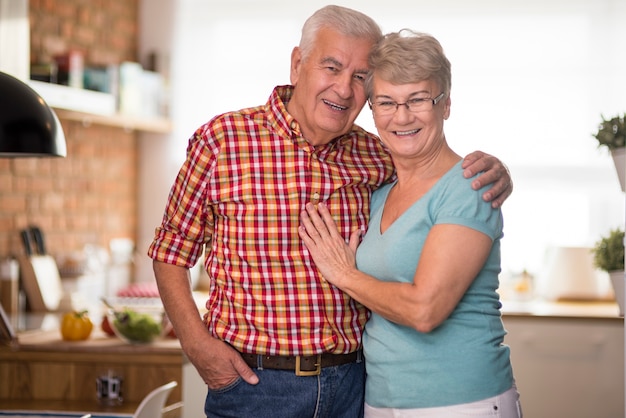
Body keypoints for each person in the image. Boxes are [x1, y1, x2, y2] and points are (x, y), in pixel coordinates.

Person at [148, 6, 513, 418]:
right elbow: (170, 250)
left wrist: (497, 170)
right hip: (255, 385)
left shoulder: (377, 155)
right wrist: (196, 344)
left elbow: (437, 174)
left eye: (360, 77)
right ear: (297, 64)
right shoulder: (223, 141)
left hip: (355, 385)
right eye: (332, 67)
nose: (343, 89)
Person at [299, 30, 521, 418]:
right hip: (381, 400)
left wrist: (345, 275)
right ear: (372, 109)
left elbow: (425, 311)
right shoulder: (379, 190)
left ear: (446, 104)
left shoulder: (469, 186)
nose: (401, 116)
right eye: (386, 102)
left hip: (460, 401)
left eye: (418, 99)